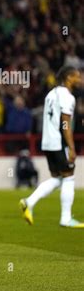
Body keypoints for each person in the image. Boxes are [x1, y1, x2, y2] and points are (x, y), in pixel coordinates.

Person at [20, 66, 83, 228]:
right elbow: (65, 123)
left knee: (58, 178)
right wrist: (72, 147)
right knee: (68, 177)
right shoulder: (67, 97)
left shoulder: (51, 94)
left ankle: (29, 202)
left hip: (47, 141)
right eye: (77, 77)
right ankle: (66, 218)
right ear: (68, 78)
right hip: (59, 142)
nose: (80, 80)